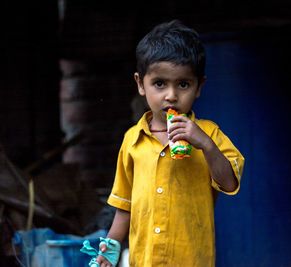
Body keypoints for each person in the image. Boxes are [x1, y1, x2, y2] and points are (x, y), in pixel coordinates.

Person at [96, 20, 245, 267]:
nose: (171, 95)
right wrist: (110, 250)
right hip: (144, 261)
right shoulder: (132, 140)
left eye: (183, 84)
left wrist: (206, 145)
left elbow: (229, 183)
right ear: (140, 84)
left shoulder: (209, 134)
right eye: (159, 84)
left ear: (199, 87)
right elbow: (124, 205)